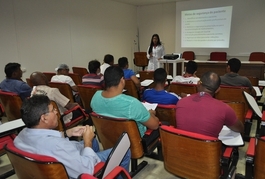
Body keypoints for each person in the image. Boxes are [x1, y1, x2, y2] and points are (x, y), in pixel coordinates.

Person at [14, 95, 130, 179]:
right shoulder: (58, 145)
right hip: (81, 170)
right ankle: (103, 172)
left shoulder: (21, 135)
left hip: (49, 166)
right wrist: (87, 142)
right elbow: (86, 170)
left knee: (93, 142)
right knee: (125, 151)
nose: (56, 112)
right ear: (44, 118)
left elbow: (44, 140)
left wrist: (66, 133)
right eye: (53, 110)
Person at [91, 66, 159, 137]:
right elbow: (155, 125)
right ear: (122, 80)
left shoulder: (96, 96)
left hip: (108, 140)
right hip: (135, 144)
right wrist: (150, 114)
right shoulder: (132, 103)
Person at [175, 71, 244, 138]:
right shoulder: (224, 108)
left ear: (198, 84)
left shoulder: (181, 102)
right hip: (208, 149)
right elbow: (239, 128)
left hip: (180, 148)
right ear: (217, 90)